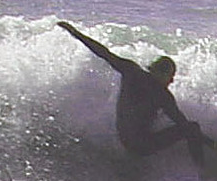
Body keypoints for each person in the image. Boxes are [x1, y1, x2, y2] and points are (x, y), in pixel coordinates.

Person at [58, 21, 205, 165]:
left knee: (180, 125)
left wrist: (75, 33)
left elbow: (104, 53)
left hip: (124, 138)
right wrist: (211, 144)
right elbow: (185, 126)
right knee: (192, 128)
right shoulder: (162, 95)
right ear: (159, 73)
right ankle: (202, 170)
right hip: (142, 145)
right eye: (170, 76)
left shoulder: (131, 71)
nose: (172, 81)